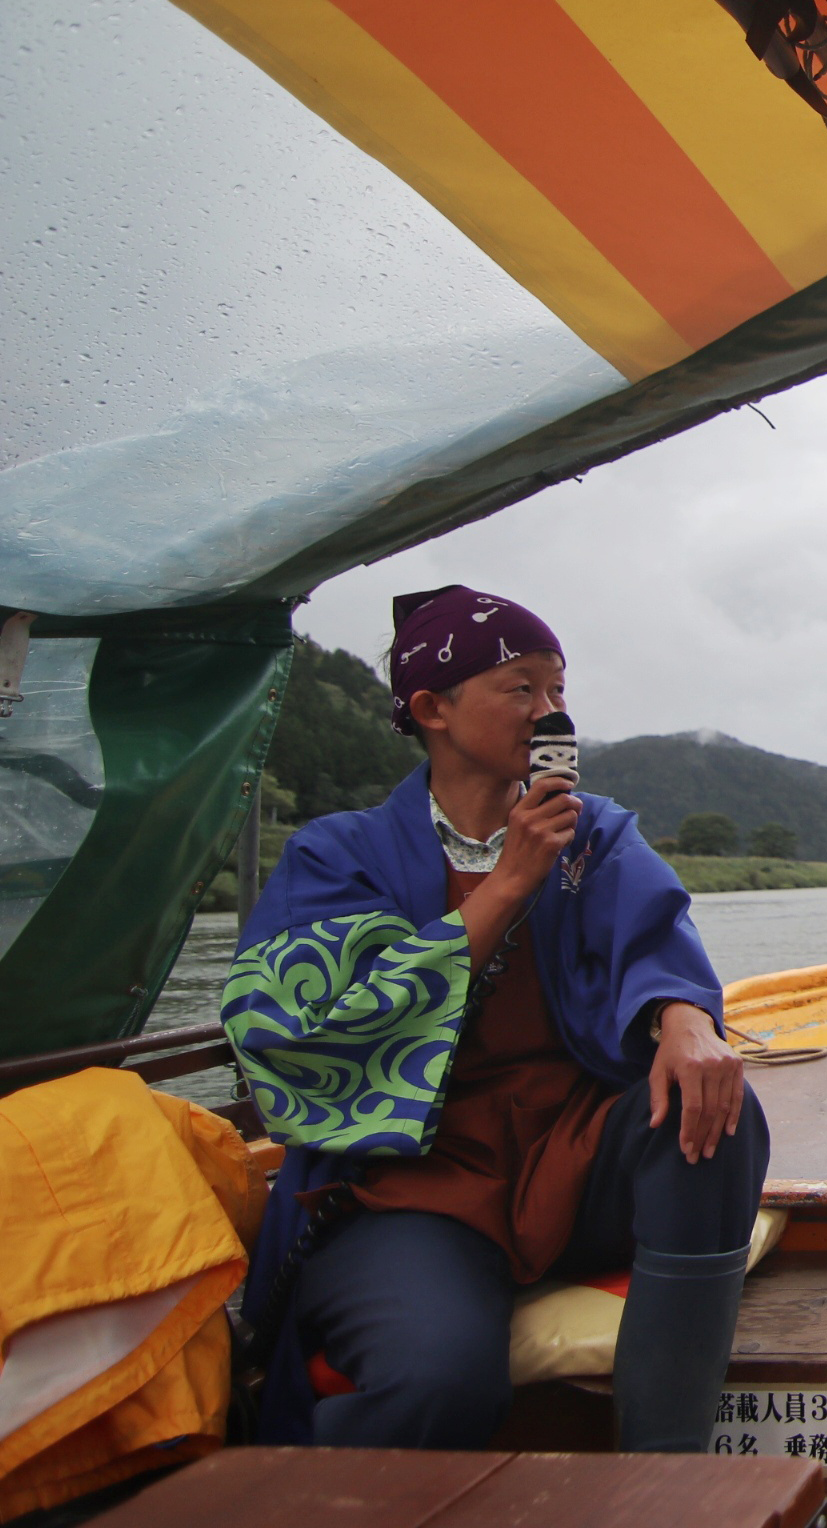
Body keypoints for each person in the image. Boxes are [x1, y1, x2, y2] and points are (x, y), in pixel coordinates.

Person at [223, 586, 768, 1451]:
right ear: (432, 708)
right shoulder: (338, 853)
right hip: (413, 1190)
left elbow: (657, 936)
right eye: (521, 688)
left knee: (716, 1112)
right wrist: (509, 883)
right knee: (435, 1378)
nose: (550, 712)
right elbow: (306, 1030)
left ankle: (665, 1472)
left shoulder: (593, 836)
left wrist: (686, 1019)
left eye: (558, 690)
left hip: (568, 1157)